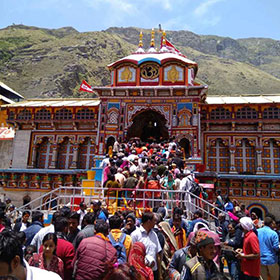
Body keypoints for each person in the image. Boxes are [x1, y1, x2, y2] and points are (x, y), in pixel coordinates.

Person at [131, 212, 162, 280]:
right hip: (141, 273)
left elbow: (157, 254)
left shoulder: (154, 235)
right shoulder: (135, 235)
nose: (155, 223)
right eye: (154, 221)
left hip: (154, 271)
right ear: (148, 221)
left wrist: (159, 274)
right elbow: (132, 255)